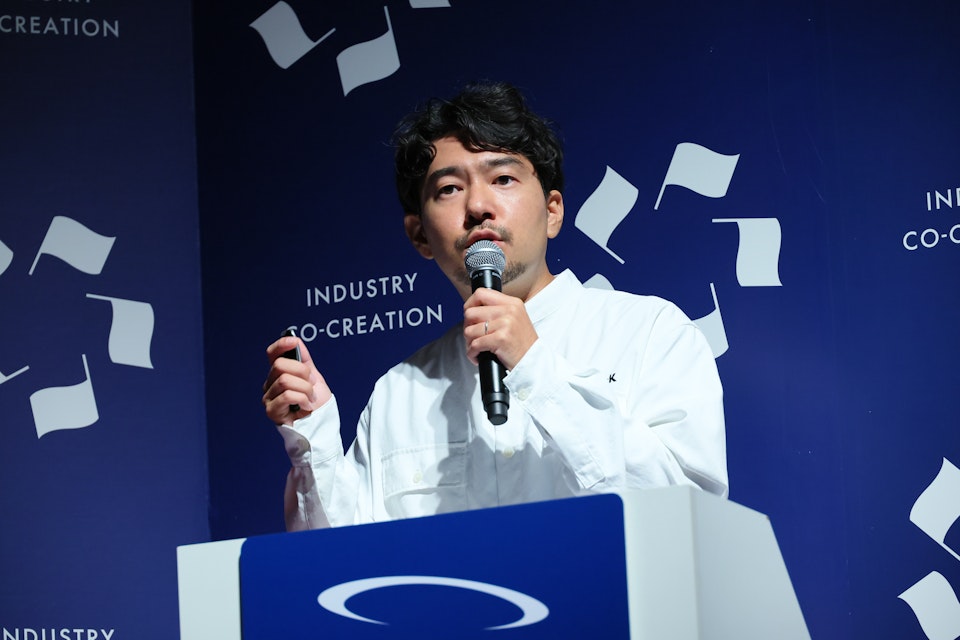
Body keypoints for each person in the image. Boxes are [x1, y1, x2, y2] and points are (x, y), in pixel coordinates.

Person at [262, 81, 727, 530]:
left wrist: (534, 365)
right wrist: (313, 441)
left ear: (553, 211)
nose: (479, 205)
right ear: (419, 235)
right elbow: (344, 563)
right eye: (449, 189)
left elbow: (690, 517)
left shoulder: (650, 333)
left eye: (503, 178)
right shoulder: (398, 393)